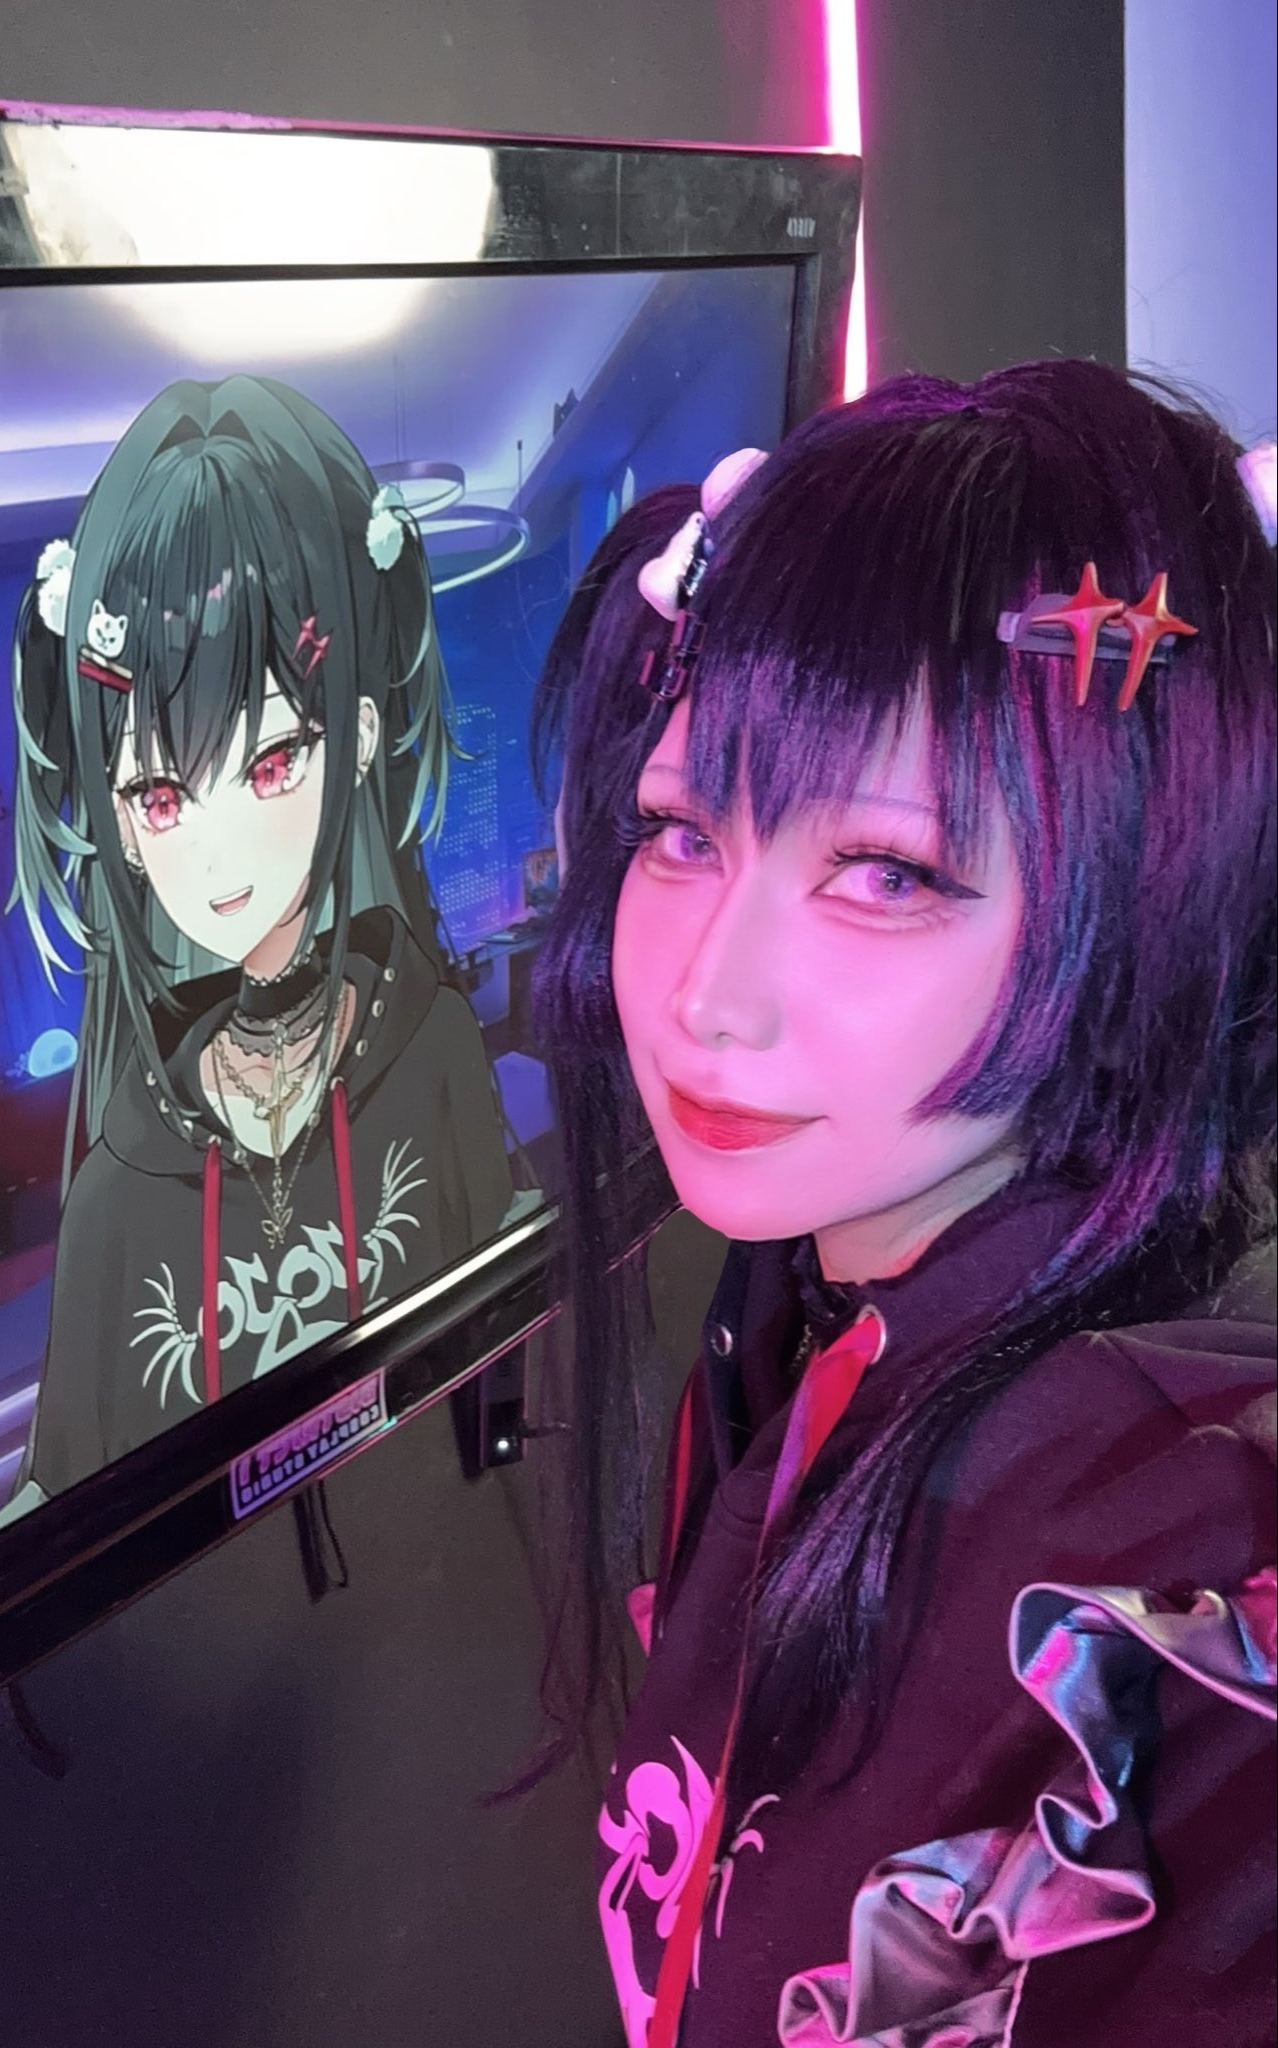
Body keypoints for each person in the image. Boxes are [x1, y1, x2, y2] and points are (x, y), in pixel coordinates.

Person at [531, 362, 1276, 2047]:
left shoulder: (1176, 1590)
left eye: (885, 871)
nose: (707, 997)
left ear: (1144, 909)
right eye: (680, 832)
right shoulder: (787, 1324)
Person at [0, 376, 514, 1517]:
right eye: (162, 794)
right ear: (123, 825)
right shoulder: (116, 1197)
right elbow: (59, 1503)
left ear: (360, 737)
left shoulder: (430, 1046)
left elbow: (513, 1308)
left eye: (273, 761)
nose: (218, 850)